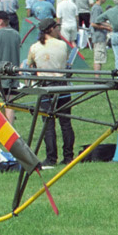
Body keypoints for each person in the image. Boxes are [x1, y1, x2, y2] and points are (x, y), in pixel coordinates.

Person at [27, 19, 74, 166]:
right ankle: (68, 156)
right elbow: (65, 62)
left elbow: (30, 65)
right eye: (56, 28)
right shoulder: (62, 45)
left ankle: (51, 158)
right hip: (62, 85)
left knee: (48, 124)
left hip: (45, 86)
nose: (58, 30)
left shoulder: (34, 47)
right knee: (65, 123)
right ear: (51, 30)